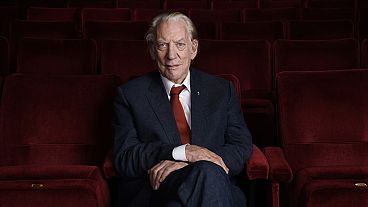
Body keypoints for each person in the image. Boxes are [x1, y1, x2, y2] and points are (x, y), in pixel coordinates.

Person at [113, 12, 253, 207]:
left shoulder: (221, 90)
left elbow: (241, 146)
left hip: (215, 188)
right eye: (163, 45)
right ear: (153, 51)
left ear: (193, 48)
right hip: (157, 191)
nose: (171, 55)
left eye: (180, 44)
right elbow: (125, 157)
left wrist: (191, 164)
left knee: (202, 177)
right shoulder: (130, 95)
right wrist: (181, 152)